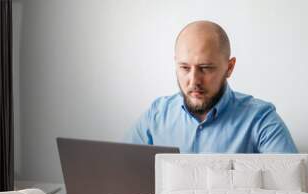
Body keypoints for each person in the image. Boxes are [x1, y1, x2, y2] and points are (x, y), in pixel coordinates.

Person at [125, 20, 297, 153]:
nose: (193, 81)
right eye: (185, 68)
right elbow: (120, 171)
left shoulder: (261, 119)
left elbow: (295, 191)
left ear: (229, 67)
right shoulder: (156, 116)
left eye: (205, 68)